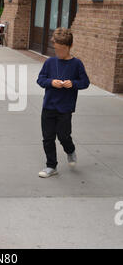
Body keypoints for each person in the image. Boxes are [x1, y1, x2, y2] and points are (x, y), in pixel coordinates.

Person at [37, 28, 90, 178]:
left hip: (65, 108)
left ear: (70, 47)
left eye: (62, 50)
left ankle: (70, 150)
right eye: (56, 49)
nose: (59, 53)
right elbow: (40, 79)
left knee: (64, 136)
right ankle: (51, 166)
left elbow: (85, 82)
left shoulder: (77, 64)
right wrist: (51, 82)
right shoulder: (50, 62)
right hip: (48, 106)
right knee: (48, 138)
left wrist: (72, 83)